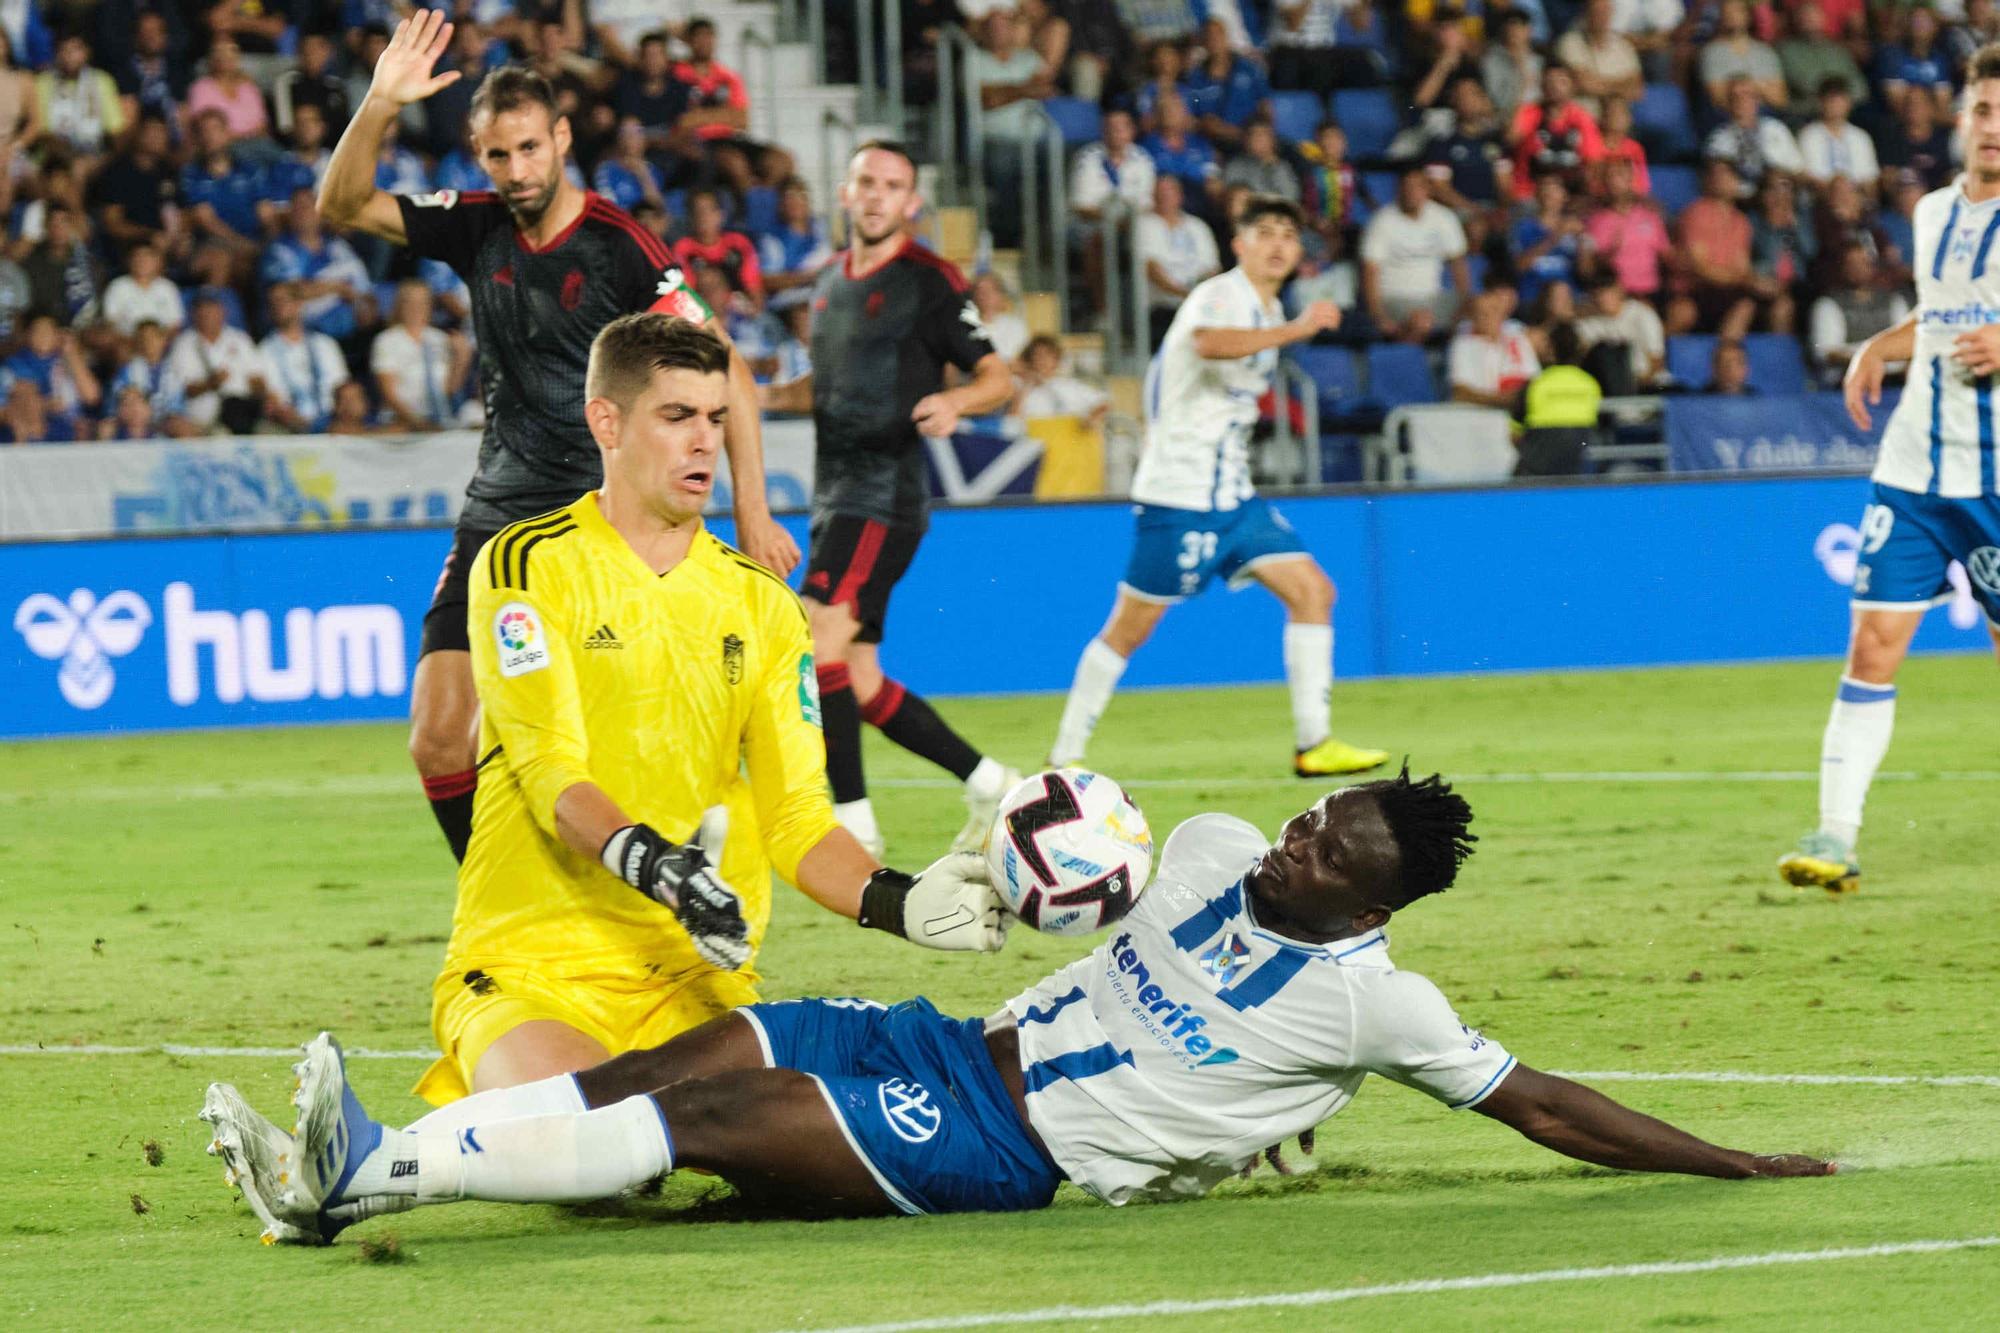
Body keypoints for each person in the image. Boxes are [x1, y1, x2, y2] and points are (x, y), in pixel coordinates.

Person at [202, 768, 1834, 1244]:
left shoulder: (1378, 1006)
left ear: (1374, 895)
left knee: (691, 1125)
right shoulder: (1200, 845)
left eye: (1332, 841)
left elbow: (1543, 1100)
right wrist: (995, 857)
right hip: (936, 1041)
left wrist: (1737, 1167)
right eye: (1315, 813)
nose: (1296, 829)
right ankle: (356, 1170)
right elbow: (1087, 871)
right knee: (680, 1061)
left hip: (1004, 1139)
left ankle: (360, 1174)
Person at [298, 318, 1015, 1121]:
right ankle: (373, 1159)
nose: (704, 444)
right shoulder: (524, 562)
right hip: (532, 966)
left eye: (714, 419)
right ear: (607, 423)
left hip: (692, 981)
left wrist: (904, 901)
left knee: (761, 1140)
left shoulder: (765, 607)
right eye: (677, 417)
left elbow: (797, 819)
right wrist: (663, 867)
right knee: (589, 1127)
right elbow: (550, 775)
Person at [315, 12, 797, 864]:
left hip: (598, 524)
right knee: (437, 737)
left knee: (605, 742)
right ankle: (497, 897)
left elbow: (730, 372)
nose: (516, 170)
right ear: (478, 154)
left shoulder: (620, 249)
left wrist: (752, 510)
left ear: (562, 138)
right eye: (498, 155)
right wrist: (381, 104)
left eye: (531, 149)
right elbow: (341, 201)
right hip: (497, 518)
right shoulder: (474, 225)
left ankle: (673, 862)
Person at [1051, 196, 1385, 779]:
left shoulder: (1267, 303)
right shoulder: (1221, 294)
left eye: (1288, 233)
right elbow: (1207, 342)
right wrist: (1298, 329)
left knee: (1313, 591)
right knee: (1130, 629)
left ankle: (1314, 742)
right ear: (1240, 244)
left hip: (1232, 496)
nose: (1279, 244)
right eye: (1265, 232)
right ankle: (1062, 755)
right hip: (1179, 494)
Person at [1779, 45, 2000, 895]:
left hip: (1994, 484)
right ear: (1961, 119)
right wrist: (1884, 341)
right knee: (1871, 645)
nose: (1993, 128)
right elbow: (1945, 317)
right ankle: (1835, 835)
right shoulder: (1934, 212)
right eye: (1982, 109)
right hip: (1912, 470)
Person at [760, 141, 1018, 860]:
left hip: (882, 496)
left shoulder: (930, 280)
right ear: (845, 193)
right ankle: (991, 780)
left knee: (816, 641)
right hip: (833, 495)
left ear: (911, 203)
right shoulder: (826, 284)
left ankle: (854, 822)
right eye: (866, 182)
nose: (877, 196)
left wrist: (957, 399)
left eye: (893, 186)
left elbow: (998, 377)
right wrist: (756, 396)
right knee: (860, 676)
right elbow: (827, 383)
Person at [259, 281, 350, 434]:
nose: (278, 306)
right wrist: (307, 426)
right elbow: (274, 400)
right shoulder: (264, 351)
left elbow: (342, 387)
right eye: (273, 302)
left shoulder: (325, 344)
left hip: (334, 422)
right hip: (293, 425)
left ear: (298, 304)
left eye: (283, 300)